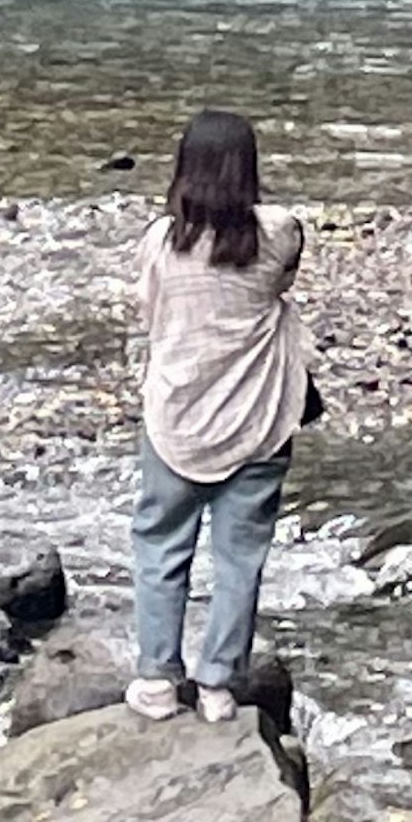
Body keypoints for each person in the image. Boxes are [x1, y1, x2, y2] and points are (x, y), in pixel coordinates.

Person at [127, 101, 312, 725]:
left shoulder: (159, 241)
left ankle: (156, 678)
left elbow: (151, 315)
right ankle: (217, 686)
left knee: (160, 547)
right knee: (239, 560)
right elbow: (283, 277)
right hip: (258, 421)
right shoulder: (279, 232)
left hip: (178, 416)